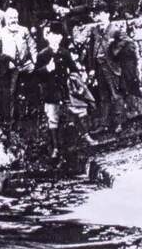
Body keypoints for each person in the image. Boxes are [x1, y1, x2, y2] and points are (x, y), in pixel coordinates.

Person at [35, 23, 96, 158]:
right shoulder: (42, 55)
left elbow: (73, 68)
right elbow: (36, 74)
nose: (55, 38)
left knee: (78, 110)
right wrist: (46, 69)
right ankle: (55, 148)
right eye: (52, 35)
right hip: (51, 91)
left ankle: (86, 137)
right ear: (48, 37)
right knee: (53, 117)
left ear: (61, 37)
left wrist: (77, 78)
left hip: (65, 89)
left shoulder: (65, 52)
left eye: (58, 35)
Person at [0, 7, 37, 132]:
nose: (13, 20)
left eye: (15, 17)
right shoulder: (1, 32)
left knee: (30, 90)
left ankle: (29, 119)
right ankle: (9, 122)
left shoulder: (24, 30)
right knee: (10, 94)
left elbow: (32, 46)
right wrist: (6, 60)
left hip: (25, 65)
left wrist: (34, 62)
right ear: (5, 19)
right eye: (10, 18)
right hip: (10, 69)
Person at [84, 8, 126, 134]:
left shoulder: (115, 30)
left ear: (108, 15)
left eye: (102, 14)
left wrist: (114, 55)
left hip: (111, 68)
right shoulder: (95, 30)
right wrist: (91, 68)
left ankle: (119, 123)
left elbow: (124, 45)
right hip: (99, 67)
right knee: (103, 96)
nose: (99, 17)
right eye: (97, 14)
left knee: (116, 94)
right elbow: (91, 51)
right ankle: (104, 124)